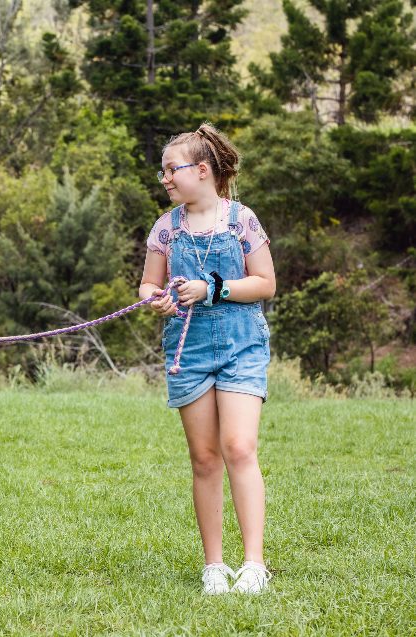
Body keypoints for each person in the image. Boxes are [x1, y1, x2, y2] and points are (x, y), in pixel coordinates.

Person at [139, 122, 276, 595]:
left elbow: (265, 283)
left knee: (239, 447)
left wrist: (212, 288)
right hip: (189, 350)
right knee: (204, 458)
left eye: (170, 170)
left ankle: (254, 564)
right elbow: (148, 283)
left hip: (242, 345)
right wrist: (156, 298)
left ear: (202, 170)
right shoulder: (166, 227)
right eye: (162, 173)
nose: (165, 179)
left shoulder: (241, 220)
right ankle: (214, 566)